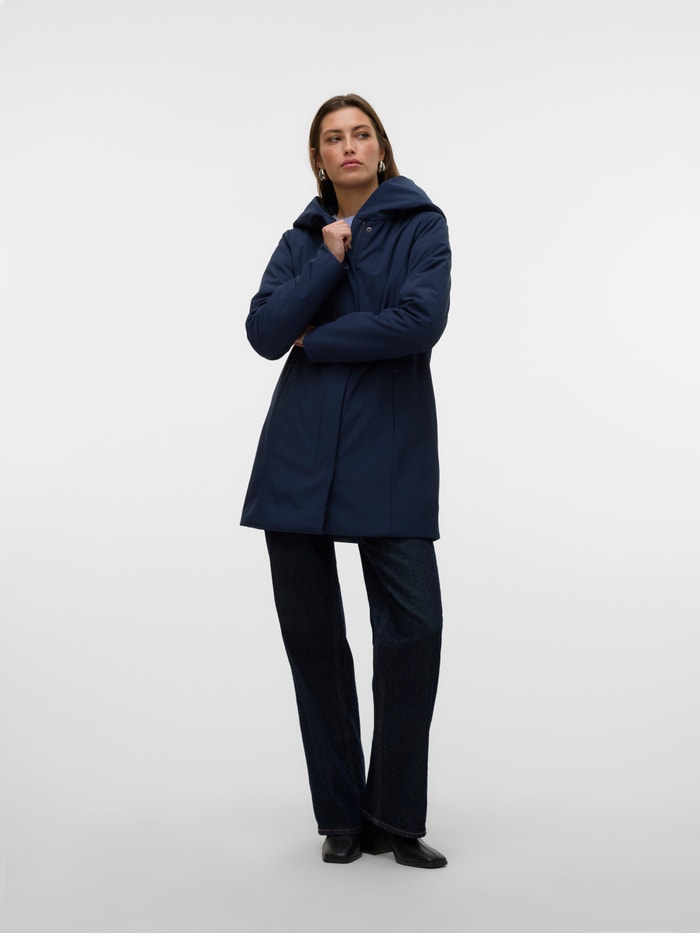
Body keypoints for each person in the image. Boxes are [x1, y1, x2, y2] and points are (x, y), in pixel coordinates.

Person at [241, 93, 451, 868]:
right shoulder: (301, 241)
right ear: (319, 157)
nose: (349, 145)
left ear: (381, 148)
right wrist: (326, 260)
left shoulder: (423, 226)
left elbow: (421, 321)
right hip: (298, 456)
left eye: (361, 133)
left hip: (389, 452)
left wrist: (322, 337)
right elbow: (266, 333)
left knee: (413, 629)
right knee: (315, 644)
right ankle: (339, 815)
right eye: (334, 137)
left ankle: (394, 814)